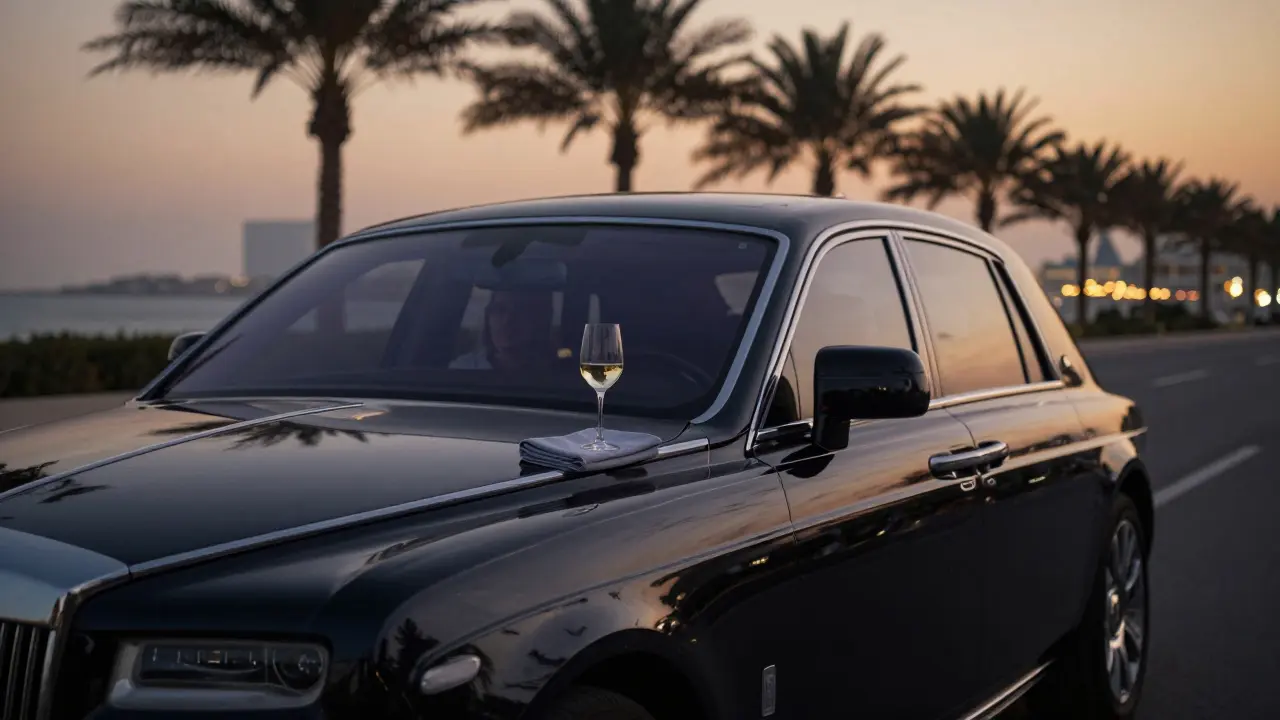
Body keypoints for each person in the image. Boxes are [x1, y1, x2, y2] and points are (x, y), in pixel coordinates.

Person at [450, 289, 557, 371]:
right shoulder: (463, 369)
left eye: (520, 311)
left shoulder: (558, 376)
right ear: (488, 317)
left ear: (539, 320)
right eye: (500, 310)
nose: (507, 321)